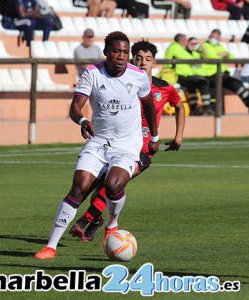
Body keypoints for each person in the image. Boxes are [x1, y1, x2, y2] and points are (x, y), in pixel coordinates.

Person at [34, 31, 159, 259]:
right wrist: (82, 120)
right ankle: (50, 246)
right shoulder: (92, 74)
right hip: (98, 142)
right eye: (116, 51)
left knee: (113, 185)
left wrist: (154, 138)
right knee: (79, 187)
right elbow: (74, 107)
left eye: (125, 52)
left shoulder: (138, 76)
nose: (121, 56)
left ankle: (112, 223)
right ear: (106, 52)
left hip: (127, 145)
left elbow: (150, 107)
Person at [69, 39, 186, 242]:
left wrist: (178, 137)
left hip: (144, 148)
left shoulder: (165, 88)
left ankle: (85, 219)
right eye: (139, 58)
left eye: (148, 59)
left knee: (113, 185)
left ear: (154, 63)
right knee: (97, 185)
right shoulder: (126, 82)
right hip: (116, 143)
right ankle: (96, 220)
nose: (142, 62)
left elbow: (180, 106)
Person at [199, 29, 249, 115]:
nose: (213, 38)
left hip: (221, 74)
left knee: (236, 84)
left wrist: (225, 54)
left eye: (216, 37)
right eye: (212, 36)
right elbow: (212, 57)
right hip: (209, 74)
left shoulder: (219, 46)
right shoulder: (204, 46)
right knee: (233, 83)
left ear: (219, 38)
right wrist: (223, 55)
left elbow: (231, 57)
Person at [164, 33, 213, 115]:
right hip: (175, 75)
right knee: (203, 82)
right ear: (182, 41)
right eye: (186, 41)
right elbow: (189, 58)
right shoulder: (175, 47)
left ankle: (195, 108)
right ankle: (206, 108)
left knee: (194, 83)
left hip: (181, 75)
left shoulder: (177, 48)